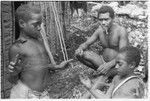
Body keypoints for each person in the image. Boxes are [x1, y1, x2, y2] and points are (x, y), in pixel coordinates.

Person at [8, 4, 72, 99]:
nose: (39, 28)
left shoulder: (39, 41)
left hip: (42, 94)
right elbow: (12, 79)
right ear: (22, 24)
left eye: (40, 24)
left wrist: (57, 67)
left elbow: (37, 66)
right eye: (35, 24)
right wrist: (14, 72)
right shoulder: (17, 47)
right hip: (25, 94)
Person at [75, 5, 129, 80]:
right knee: (81, 55)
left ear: (113, 18)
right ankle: (105, 73)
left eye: (106, 19)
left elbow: (124, 54)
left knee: (122, 64)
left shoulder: (121, 31)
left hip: (117, 65)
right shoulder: (100, 30)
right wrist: (80, 48)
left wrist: (109, 64)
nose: (103, 22)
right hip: (103, 62)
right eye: (101, 20)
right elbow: (86, 44)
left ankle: (108, 74)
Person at [80, 46, 145, 98]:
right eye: (116, 63)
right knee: (95, 92)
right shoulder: (116, 78)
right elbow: (106, 98)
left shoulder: (136, 85)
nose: (116, 66)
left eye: (120, 64)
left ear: (131, 65)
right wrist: (89, 88)